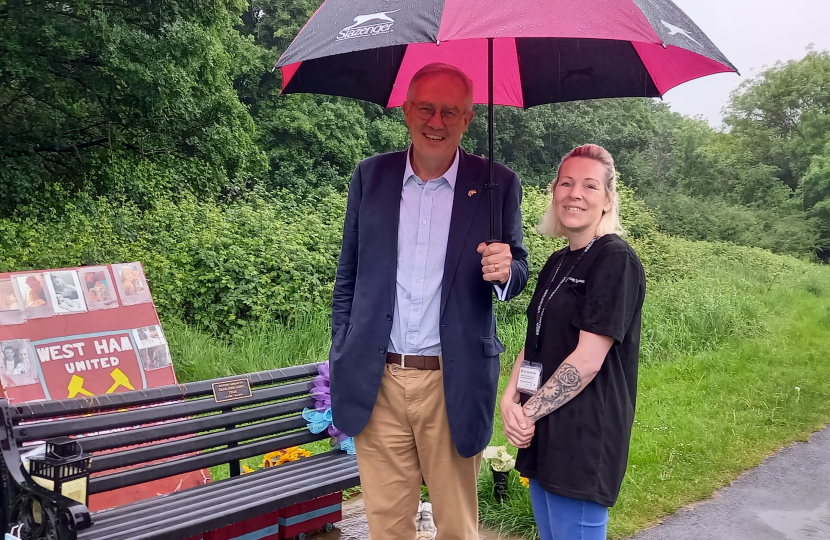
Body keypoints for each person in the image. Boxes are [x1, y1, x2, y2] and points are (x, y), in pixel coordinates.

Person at [329, 63, 529, 540]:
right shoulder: (370, 177)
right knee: (387, 527)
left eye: (450, 111)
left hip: (452, 383)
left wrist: (506, 272)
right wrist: (344, 343)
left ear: (469, 118)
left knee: (458, 527)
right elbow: (348, 275)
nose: (436, 122)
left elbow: (517, 270)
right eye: (426, 108)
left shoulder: (497, 183)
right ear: (405, 111)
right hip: (377, 381)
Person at [501, 144, 646, 540]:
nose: (574, 193)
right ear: (554, 192)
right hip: (545, 430)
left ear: (607, 200)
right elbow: (535, 340)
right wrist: (510, 399)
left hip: (584, 437)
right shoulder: (558, 261)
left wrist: (527, 414)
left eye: (589, 185)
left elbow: (587, 360)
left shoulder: (614, 259)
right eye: (566, 183)